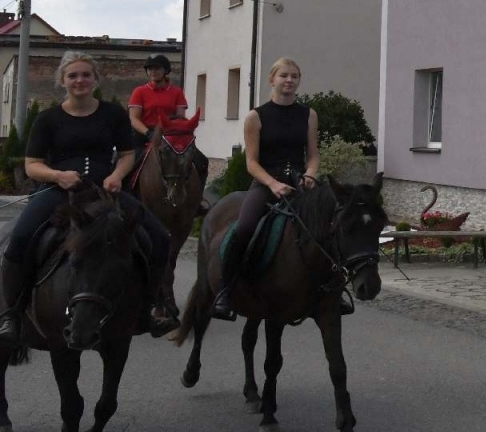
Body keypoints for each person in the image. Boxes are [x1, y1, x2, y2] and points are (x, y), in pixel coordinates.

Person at [0, 53, 178, 350]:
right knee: (19, 239)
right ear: (62, 81)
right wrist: (57, 176)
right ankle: (12, 314)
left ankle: (152, 307)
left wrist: (118, 176)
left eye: (85, 74)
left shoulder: (113, 114)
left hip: (106, 191)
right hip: (59, 193)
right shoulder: (48, 119)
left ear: (95, 79)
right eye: (72, 76)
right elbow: (32, 164)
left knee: (159, 237)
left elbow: (126, 155)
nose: (79, 80)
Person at [210, 57, 323, 321]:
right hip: (265, 182)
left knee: (326, 224)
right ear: (272, 79)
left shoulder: (309, 114)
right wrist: (272, 184)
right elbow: (251, 162)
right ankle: (226, 291)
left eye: (294, 76)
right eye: (284, 75)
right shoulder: (256, 116)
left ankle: (330, 290)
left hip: (298, 182)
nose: (289, 80)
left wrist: (309, 174)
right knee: (245, 227)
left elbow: (313, 155)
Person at [128, 52, 208, 211]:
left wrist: (171, 129)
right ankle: (125, 199)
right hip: (145, 134)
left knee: (201, 161)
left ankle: (197, 199)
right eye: (150, 69)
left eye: (157, 68)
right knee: (128, 163)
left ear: (166, 71)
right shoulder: (140, 92)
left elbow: (180, 117)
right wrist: (148, 133)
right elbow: (134, 119)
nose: (153, 72)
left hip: (169, 135)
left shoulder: (176, 92)